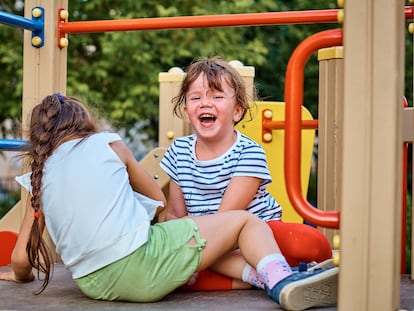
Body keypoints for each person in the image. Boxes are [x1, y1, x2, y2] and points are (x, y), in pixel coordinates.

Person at [0, 94, 337, 310]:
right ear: (84, 122)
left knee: (202, 248)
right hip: (141, 265)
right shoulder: (108, 144)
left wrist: (21, 277)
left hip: (93, 285)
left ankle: (267, 277)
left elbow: (20, 259)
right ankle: (282, 281)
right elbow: (157, 198)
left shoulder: (38, 176)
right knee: (246, 223)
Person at [160, 56, 333, 291]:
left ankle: (257, 269)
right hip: (207, 243)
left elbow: (227, 219)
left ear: (237, 111)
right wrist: (180, 247)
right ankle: (270, 277)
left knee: (308, 243)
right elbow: (174, 216)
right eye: (195, 97)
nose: (204, 103)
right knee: (168, 267)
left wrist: (193, 256)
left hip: (258, 236)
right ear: (186, 110)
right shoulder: (179, 151)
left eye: (217, 96)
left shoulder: (248, 152)